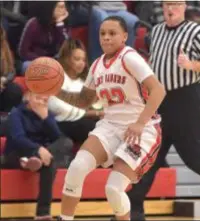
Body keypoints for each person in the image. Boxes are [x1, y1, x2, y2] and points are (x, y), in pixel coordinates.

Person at [56, 16, 166, 220]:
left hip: (142, 129)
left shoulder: (129, 58)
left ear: (125, 36)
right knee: (77, 166)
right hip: (110, 126)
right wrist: (56, 91)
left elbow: (158, 90)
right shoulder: (97, 64)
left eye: (112, 33)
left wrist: (140, 123)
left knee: (114, 189)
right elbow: (83, 101)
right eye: (102, 33)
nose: (106, 38)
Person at [127, 1, 200, 220]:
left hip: (185, 99)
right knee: (148, 156)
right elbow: (155, 63)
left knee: (193, 157)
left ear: (183, 6)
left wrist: (192, 65)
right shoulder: (156, 31)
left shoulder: (195, 31)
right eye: (166, 5)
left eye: (174, 4)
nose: (170, 9)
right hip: (160, 99)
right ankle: (132, 212)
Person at [2, 91, 73, 220]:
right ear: (28, 98)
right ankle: (43, 213)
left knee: (65, 144)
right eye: (38, 98)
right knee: (49, 161)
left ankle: (42, 214)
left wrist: (46, 119)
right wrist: (38, 149)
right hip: (17, 153)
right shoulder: (16, 113)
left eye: (45, 101)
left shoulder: (47, 114)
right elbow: (18, 138)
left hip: (41, 156)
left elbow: (57, 137)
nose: (41, 102)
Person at [48, 39, 103, 144]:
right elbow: (60, 109)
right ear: (66, 59)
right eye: (77, 59)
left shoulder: (84, 81)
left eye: (83, 60)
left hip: (81, 120)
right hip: (62, 123)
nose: (81, 63)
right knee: (93, 129)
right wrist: (95, 113)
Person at [18, 0, 69, 74]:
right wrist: (44, 60)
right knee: (28, 66)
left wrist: (59, 24)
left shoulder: (62, 24)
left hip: (54, 60)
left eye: (64, 6)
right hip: (34, 61)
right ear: (50, 7)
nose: (64, 9)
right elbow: (23, 52)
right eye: (60, 7)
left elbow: (64, 48)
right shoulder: (33, 24)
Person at [0, 24, 23, 112]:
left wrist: (3, 79)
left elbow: (11, 71)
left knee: (14, 91)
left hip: (1, 83)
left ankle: (6, 114)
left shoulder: (4, 45)